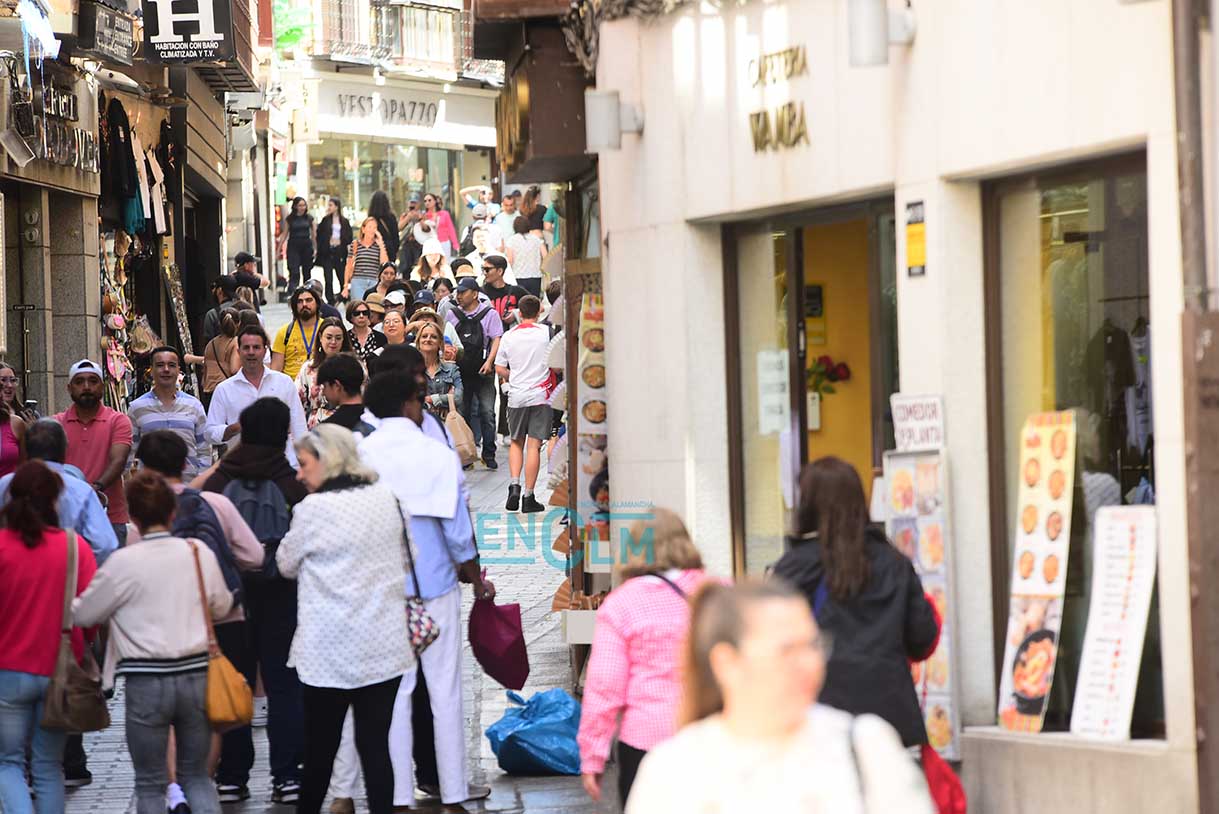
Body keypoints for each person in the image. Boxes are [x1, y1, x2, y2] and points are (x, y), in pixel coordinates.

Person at [625, 581, 934, 814]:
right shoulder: (673, 770)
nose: (810, 663)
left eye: (813, 645)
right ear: (726, 663)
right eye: (787, 650)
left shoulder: (866, 745)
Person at [360, 372, 494, 809]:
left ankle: (398, 795)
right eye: (419, 400)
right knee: (445, 691)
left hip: (382, 589)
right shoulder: (436, 455)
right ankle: (453, 792)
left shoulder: (361, 455)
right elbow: (458, 533)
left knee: (396, 695)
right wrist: (474, 577)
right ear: (406, 404)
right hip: (435, 586)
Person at [74, 471, 233, 814]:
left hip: (146, 680)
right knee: (198, 777)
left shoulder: (123, 563)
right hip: (195, 673)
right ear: (172, 512)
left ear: (133, 517)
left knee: (149, 782)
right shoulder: (196, 553)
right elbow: (221, 605)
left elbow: (85, 614)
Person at [276, 425, 412, 814]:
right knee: (375, 750)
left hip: (327, 651)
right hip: (383, 645)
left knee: (320, 751)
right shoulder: (387, 498)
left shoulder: (311, 510)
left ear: (327, 460)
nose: (299, 474)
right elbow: (411, 558)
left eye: (303, 464)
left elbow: (285, 564)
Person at [133, 430, 264, 813]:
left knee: (177, 716)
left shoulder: (143, 516)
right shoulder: (214, 504)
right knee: (222, 705)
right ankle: (229, 780)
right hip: (223, 620)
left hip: (168, 626)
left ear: (143, 469)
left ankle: (179, 788)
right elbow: (254, 555)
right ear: (185, 465)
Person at [770, 457, 939, 748]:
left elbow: (770, 642)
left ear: (807, 504)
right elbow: (922, 639)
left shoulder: (794, 567)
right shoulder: (894, 562)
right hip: (891, 719)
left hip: (818, 719)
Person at [200, 398, 309, 806]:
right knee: (284, 687)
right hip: (281, 594)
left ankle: (232, 774)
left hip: (230, 599)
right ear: (282, 432)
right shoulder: (292, 482)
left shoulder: (220, 478)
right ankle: (286, 776)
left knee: (235, 683)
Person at [578, 510, 717, 808]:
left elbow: (605, 685)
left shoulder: (622, 604)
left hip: (645, 740)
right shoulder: (716, 592)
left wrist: (593, 755)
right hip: (711, 735)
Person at [0, 461, 97, 814]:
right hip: (59, 670)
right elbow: (91, 613)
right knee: (48, 767)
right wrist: (82, 642)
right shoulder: (74, 547)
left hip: (7, 670)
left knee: (8, 763)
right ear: (55, 500)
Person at [0, 419, 118, 563]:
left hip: (13, 575)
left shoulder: (5, 485)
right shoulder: (81, 490)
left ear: (26, 449)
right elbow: (104, 545)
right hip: (66, 577)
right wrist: (77, 569)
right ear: (64, 450)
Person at [56, 359, 133, 548]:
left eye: (93, 381)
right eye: (79, 382)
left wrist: (95, 488)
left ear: (102, 386)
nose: (87, 387)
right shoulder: (56, 424)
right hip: (67, 518)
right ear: (69, 388)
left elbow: (119, 460)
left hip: (110, 516)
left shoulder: (118, 421)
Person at [205, 326, 308, 467]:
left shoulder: (284, 382)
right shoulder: (224, 389)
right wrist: (237, 427)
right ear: (238, 351)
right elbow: (210, 432)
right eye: (246, 348)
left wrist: (302, 465)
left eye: (256, 347)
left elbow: (299, 427)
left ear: (265, 350)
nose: (251, 352)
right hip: (243, 468)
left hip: (284, 465)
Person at [495, 295, 553, 512]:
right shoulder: (546, 333)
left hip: (516, 396)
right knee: (534, 446)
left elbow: (499, 368)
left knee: (516, 442)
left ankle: (514, 485)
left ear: (519, 312)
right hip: (540, 395)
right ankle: (529, 497)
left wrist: (515, 376)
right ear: (539, 311)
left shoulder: (508, 336)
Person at [128, 346, 211, 480]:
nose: (166, 370)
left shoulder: (194, 405)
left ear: (178, 370)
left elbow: (204, 449)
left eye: (171, 365)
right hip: (152, 489)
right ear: (151, 370)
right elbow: (130, 451)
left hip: (188, 487)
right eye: (160, 365)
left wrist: (200, 481)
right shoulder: (137, 408)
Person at [447, 277, 502, 469]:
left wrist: (489, 362)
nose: (458, 296)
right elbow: (447, 340)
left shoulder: (490, 314)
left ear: (475, 293)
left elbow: (496, 338)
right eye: (458, 292)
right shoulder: (452, 314)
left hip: (483, 371)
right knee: (463, 413)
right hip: (460, 372)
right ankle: (468, 454)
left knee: (487, 412)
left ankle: (489, 453)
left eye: (463, 292)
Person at [482, 256, 530, 440]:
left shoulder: (516, 291)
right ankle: (486, 433)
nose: (484, 273)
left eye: (487, 269)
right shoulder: (480, 293)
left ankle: (506, 430)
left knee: (507, 388)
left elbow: (537, 307)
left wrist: (516, 313)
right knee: (486, 391)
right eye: (483, 269)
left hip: (510, 346)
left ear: (500, 271)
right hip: (486, 346)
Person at [296, 317, 353, 428]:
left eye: (338, 338)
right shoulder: (308, 368)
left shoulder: (354, 366)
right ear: (320, 338)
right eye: (329, 337)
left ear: (343, 340)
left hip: (347, 424)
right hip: (316, 427)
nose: (333, 342)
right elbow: (297, 403)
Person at [201, 304, 253, 409]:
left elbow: (204, 372)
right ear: (239, 324)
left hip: (208, 391)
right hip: (226, 392)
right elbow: (234, 369)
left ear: (220, 324)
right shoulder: (235, 342)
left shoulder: (210, 344)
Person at [271, 286, 323, 381]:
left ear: (317, 303)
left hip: (320, 384)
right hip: (291, 386)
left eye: (308, 300)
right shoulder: (284, 332)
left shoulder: (327, 329)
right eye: (299, 302)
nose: (304, 304)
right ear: (295, 306)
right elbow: (275, 370)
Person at [318, 354, 375, 438]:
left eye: (324, 386)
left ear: (337, 385)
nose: (323, 392)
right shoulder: (377, 420)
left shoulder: (326, 430)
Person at [418, 322, 463, 420]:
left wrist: (431, 399)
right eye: (424, 336)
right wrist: (446, 397)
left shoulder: (451, 369)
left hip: (446, 425)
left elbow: (458, 398)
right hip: (419, 425)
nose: (428, 339)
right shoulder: (411, 370)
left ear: (440, 343)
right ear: (418, 342)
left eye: (433, 337)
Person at [342, 217, 390, 302]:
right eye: (370, 227)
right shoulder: (356, 244)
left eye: (375, 228)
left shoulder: (378, 246)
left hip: (374, 281)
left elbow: (384, 263)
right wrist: (345, 286)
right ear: (363, 229)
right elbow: (348, 265)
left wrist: (381, 244)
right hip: (358, 281)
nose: (372, 230)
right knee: (359, 306)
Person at [316, 197, 352, 304]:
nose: (329, 207)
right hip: (328, 250)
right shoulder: (325, 220)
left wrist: (344, 244)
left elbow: (348, 236)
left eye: (331, 205)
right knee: (328, 277)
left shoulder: (344, 221)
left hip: (339, 250)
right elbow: (320, 235)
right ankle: (330, 299)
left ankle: (343, 296)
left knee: (341, 274)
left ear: (337, 207)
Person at [505, 215, 547, 298]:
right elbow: (545, 255)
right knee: (534, 302)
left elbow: (510, 260)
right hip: (535, 276)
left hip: (518, 275)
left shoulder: (511, 240)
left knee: (521, 302)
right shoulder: (536, 239)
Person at [280, 197, 316, 293]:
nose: (302, 207)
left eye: (304, 205)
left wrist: (315, 248)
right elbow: (284, 234)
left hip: (306, 245)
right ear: (295, 206)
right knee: (294, 271)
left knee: (307, 271)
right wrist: (278, 249)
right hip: (293, 245)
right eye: (300, 205)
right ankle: (293, 292)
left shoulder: (309, 218)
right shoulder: (290, 219)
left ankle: (308, 292)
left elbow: (314, 234)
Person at [202, 276, 239, 349]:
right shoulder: (247, 309)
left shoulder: (212, 314)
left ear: (219, 290)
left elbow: (208, 344)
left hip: (220, 357)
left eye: (213, 287)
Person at [367, 190, 400, 264]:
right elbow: (396, 238)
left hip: (374, 252)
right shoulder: (391, 217)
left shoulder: (371, 219)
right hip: (389, 251)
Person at [422, 192, 458, 256]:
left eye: (429, 200)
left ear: (435, 201)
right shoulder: (424, 216)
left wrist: (455, 244)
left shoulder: (444, 214)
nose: (427, 202)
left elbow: (451, 229)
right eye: (425, 201)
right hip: (431, 244)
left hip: (444, 243)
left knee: (445, 263)